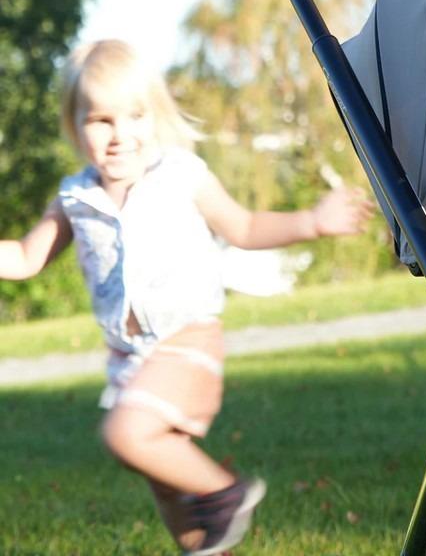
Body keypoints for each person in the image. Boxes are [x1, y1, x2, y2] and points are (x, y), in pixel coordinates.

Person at [0, 39, 375, 555]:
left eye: (134, 116)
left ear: (154, 115)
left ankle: (228, 492)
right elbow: (25, 257)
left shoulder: (180, 175)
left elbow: (243, 226)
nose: (120, 135)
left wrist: (311, 221)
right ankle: (208, 547)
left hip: (187, 339)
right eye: (101, 120)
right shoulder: (75, 198)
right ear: (75, 124)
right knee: (166, 485)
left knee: (126, 435)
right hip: (130, 357)